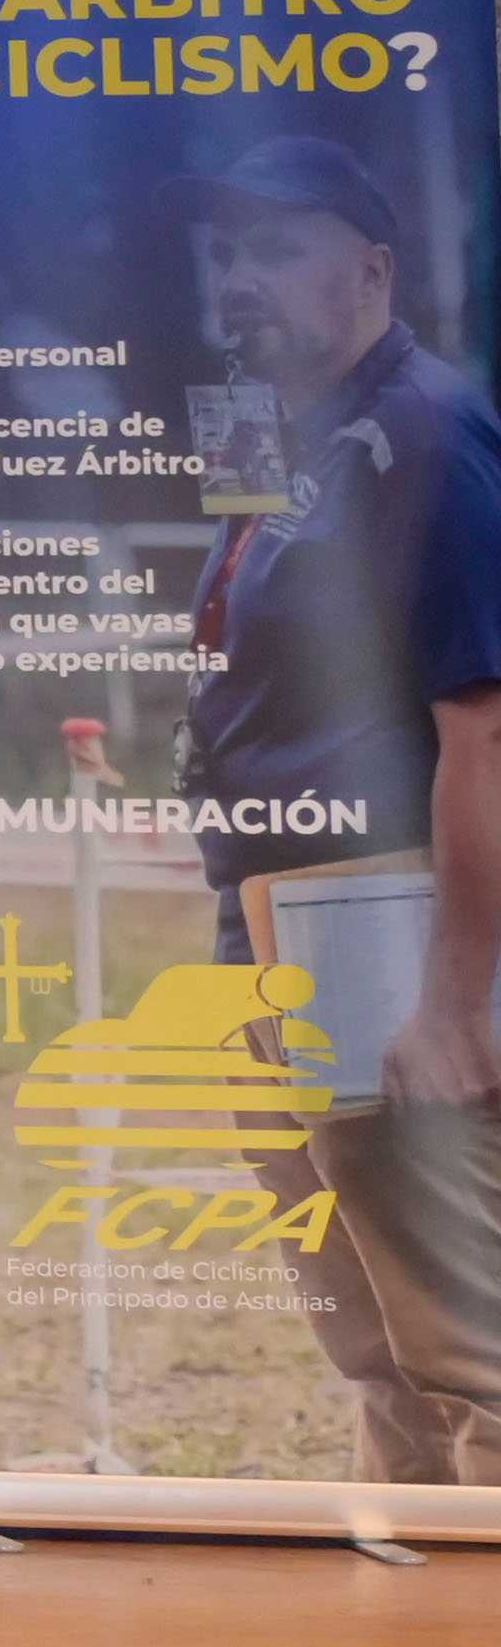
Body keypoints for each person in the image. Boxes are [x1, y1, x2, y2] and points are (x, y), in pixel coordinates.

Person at [174, 132, 501, 1479]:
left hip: (378, 919)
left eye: (281, 247)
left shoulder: (430, 431)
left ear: (368, 270)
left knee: (468, 1349)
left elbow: (483, 730)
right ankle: (400, 1638)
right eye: (230, 251)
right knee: (371, 1343)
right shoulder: (284, 438)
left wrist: (454, 1003)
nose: (242, 278)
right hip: (267, 928)